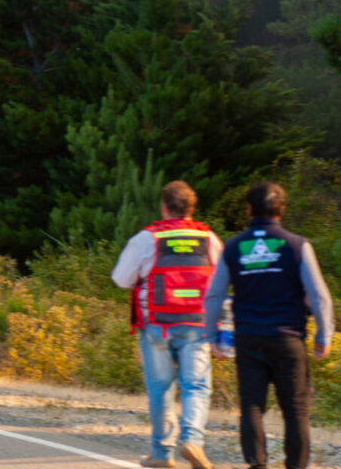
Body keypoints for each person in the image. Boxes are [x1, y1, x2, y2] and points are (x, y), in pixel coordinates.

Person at [203, 182, 334, 469]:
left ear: (249, 210)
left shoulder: (234, 247)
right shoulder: (298, 246)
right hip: (288, 339)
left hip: (248, 338)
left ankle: (257, 465)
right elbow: (318, 295)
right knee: (296, 411)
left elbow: (214, 293)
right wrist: (324, 335)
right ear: (282, 210)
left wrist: (211, 334)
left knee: (251, 406)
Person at [110, 180, 223, 469]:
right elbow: (222, 280)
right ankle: (193, 441)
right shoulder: (208, 238)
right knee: (196, 385)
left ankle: (162, 454)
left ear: (164, 207)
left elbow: (121, 279)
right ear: (192, 209)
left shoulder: (147, 239)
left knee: (161, 389)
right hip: (197, 324)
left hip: (156, 326)